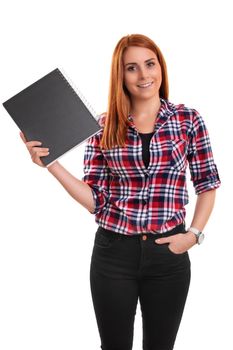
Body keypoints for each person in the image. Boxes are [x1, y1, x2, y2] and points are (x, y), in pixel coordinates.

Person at [20, 34, 221, 350]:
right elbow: (95, 200)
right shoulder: (103, 126)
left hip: (168, 253)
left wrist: (193, 235)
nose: (144, 76)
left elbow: (208, 185)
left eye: (150, 64)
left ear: (161, 67)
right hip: (114, 255)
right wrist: (53, 166)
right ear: (121, 75)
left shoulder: (188, 120)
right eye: (132, 68)